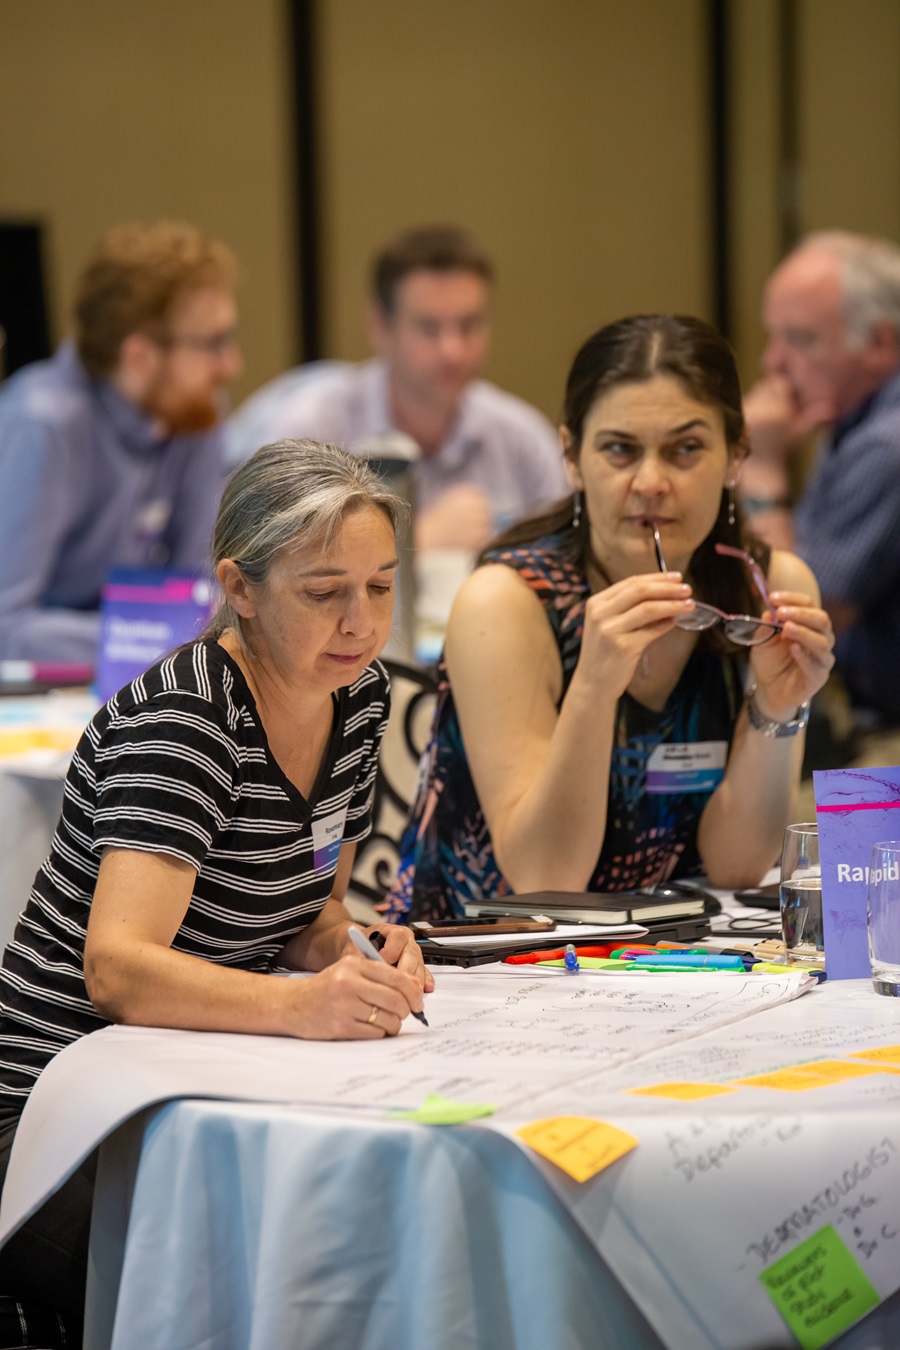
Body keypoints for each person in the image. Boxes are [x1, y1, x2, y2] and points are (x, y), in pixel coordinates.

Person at [0, 439, 431, 1342]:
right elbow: (118, 971)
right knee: (278, 1279)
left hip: (188, 1080)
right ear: (239, 588)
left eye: (381, 588)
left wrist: (354, 953)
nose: (359, 622)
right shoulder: (187, 719)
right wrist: (305, 1006)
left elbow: (306, 911)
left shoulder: (355, 699)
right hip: (50, 1120)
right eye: (324, 593)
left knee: (365, 1238)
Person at [383, 315, 835, 923]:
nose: (650, 483)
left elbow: (740, 867)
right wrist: (595, 685)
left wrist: (775, 710)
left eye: (686, 449)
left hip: (669, 959)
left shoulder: (769, 591)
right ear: (571, 457)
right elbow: (545, 878)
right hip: (481, 966)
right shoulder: (508, 601)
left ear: (736, 456)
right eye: (620, 450)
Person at [225, 225, 569, 554]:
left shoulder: (522, 438)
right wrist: (417, 540)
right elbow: (260, 568)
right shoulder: (310, 430)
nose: (453, 350)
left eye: (469, 325)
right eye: (428, 327)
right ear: (380, 326)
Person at [0, 220, 243, 667]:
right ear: (138, 357)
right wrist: (153, 637)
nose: (231, 365)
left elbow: (198, 590)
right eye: (214, 343)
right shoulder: (42, 425)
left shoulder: (192, 410)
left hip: (133, 673)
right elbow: (5, 626)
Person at [741, 231, 900, 723]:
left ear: (879, 343)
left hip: (889, 741)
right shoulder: (853, 417)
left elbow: (800, 620)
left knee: (806, 803)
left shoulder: (886, 444)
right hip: (868, 721)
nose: (774, 363)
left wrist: (763, 475)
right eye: (774, 335)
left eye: (801, 339)